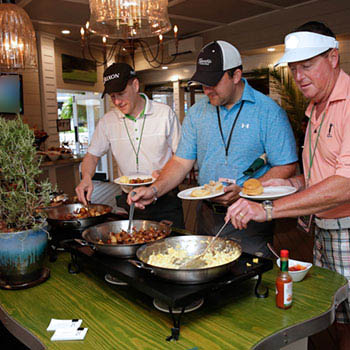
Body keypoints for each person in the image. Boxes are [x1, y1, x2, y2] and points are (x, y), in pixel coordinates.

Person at [225, 21, 350, 349]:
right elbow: (318, 175)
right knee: (337, 318)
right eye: (294, 68)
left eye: (307, 66)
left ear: (333, 58)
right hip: (323, 230)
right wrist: (289, 183)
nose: (299, 77)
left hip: (347, 230)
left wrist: (268, 208)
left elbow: (344, 184)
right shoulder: (315, 108)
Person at [128, 40, 297, 257]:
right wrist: (154, 191)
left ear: (236, 76)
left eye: (213, 82)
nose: (207, 90)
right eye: (203, 83)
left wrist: (245, 190)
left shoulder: (269, 112)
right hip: (205, 214)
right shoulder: (197, 113)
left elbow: (286, 165)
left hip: (249, 217)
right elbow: (181, 161)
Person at [75, 63, 184, 228]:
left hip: (165, 198)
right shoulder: (107, 122)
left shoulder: (164, 114)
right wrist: (86, 178)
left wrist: (164, 172)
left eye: (121, 94)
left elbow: (181, 156)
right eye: (112, 96)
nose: (117, 101)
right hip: (130, 200)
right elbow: (92, 155)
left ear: (135, 85)